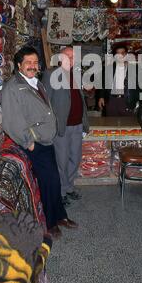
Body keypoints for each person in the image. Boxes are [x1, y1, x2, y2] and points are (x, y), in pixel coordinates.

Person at [2, 46, 78, 239]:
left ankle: (60, 216)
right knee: (47, 182)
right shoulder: (13, 87)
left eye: (35, 62)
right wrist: (30, 143)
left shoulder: (36, 83)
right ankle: (50, 223)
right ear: (19, 65)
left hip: (46, 140)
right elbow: (12, 120)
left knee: (54, 180)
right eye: (28, 62)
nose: (32, 66)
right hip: (35, 143)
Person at [42, 46, 89, 207]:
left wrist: (85, 122)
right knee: (61, 161)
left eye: (74, 57)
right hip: (61, 126)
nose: (71, 59)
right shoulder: (50, 74)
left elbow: (80, 99)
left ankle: (69, 187)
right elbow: (45, 102)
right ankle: (60, 192)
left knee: (74, 159)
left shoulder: (76, 74)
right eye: (68, 56)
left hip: (77, 124)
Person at [97, 44, 139, 117]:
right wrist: (101, 97)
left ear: (126, 54)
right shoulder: (108, 68)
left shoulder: (135, 69)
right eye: (118, 54)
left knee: (127, 126)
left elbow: (140, 87)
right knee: (111, 125)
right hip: (111, 100)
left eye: (122, 53)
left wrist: (138, 101)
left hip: (127, 100)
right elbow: (103, 83)